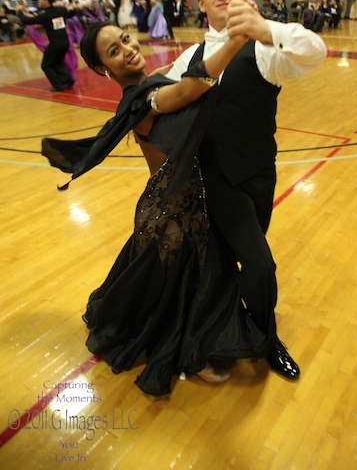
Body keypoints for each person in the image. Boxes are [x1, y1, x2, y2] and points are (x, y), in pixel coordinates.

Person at [41, 21, 270, 396]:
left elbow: (172, 72)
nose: (128, 49)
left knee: (191, 279)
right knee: (184, 285)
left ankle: (199, 339)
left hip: (181, 200)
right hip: (173, 210)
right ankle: (190, 355)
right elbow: (189, 88)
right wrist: (234, 42)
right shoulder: (143, 99)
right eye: (114, 52)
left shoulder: (146, 83)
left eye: (125, 39)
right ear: (102, 69)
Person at [166, 0, 327, 381]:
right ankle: (266, 338)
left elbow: (316, 51)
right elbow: (163, 101)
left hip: (259, 176)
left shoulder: (263, 48)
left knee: (234, 260)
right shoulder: (188, 58)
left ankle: (228, 324)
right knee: (260, 265)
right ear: (200, 3)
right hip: (216, 183)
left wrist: (265, 28)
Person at [16, 0, 78, 92]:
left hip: (55, 43)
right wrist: (74, 8)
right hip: (65, 42)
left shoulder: (46, 15)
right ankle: (68, 79)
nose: (39, 0)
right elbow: (71, 13)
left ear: (46, 1)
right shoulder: (61, 10)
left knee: (45, 65)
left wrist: (19, 11)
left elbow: (27, 20)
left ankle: (58, 85)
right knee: (56, 62)